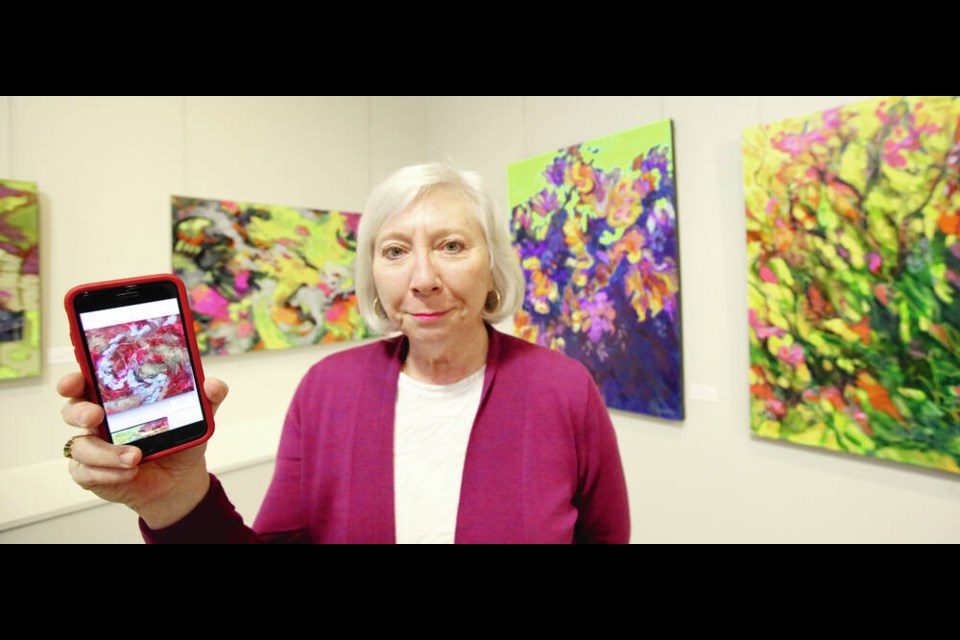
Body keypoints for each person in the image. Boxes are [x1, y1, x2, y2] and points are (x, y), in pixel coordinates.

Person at [58, 162, 630, 543]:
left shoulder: (564, 387)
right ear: (373, 273)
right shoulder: (327, 389)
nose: (423, 277)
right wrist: (177, 501)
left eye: (451, 245)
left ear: (494, 268)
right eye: (396, 250)